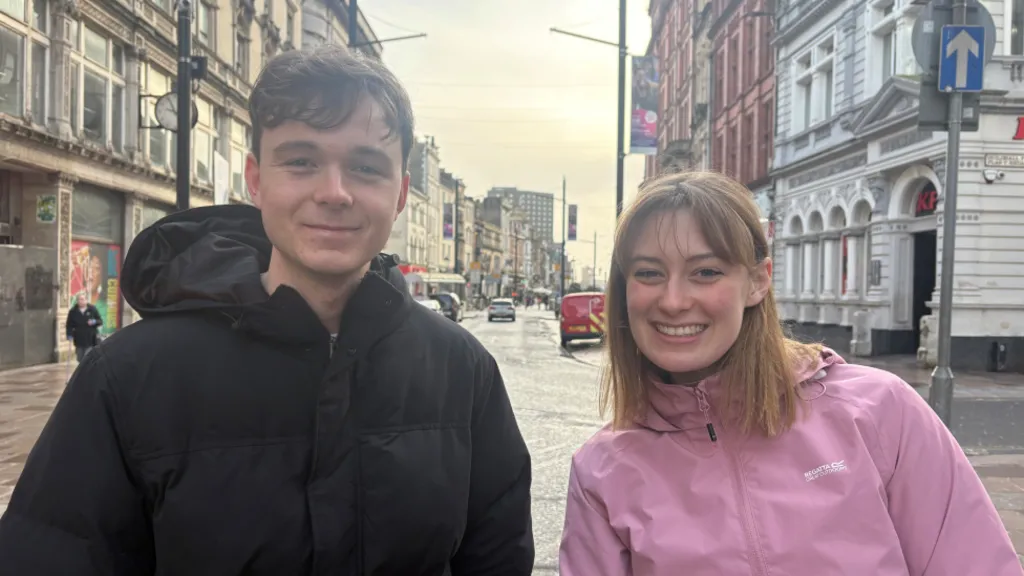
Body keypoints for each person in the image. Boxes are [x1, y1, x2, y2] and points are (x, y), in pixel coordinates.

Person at [0, 45, 533, 575]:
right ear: (256, 180)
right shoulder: (126, 378)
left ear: (400, 194)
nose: (334, 192)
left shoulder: (463, 372)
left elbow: (497, 557)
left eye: (366, 167)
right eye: (301, 161)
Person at [558, 171, 1021, 575]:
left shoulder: (879, 412)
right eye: (650, 273)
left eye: (706, 272)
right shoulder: (603, 472)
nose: (674, 300)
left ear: (758, 281)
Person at [64, 292, 103, 361]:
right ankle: (82, 370)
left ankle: (87, 371)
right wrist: (69, 334)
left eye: (82, 299)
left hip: (90, 339)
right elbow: (69, 325)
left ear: (86, 300)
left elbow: (100, 321)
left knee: (87, 358)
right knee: (80, 358)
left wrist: (94, 322)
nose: (81, 301)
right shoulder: (73, 311)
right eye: (79, 299)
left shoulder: (92, 309)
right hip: (79, 339)